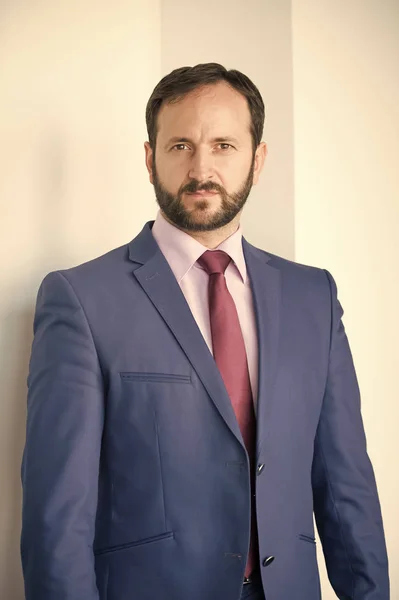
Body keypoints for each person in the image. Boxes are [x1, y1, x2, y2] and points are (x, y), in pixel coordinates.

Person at [21, 62, 389, 600]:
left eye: (223, 145)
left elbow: (346, 488)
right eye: (179, 146)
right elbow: (57, 518)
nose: (201, 168)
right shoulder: (81, 299)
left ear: (257, 160)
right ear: (149, 159)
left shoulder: (314, 297)